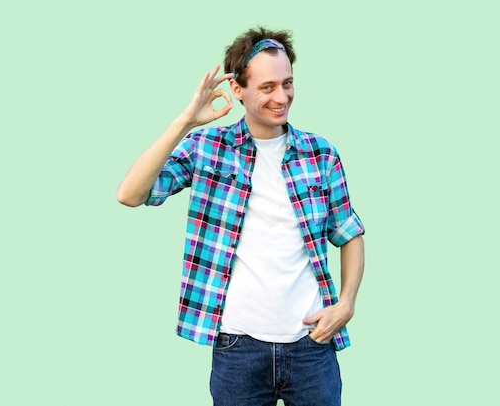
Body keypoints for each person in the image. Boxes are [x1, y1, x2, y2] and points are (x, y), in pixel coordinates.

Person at [117, 27, 365, 406]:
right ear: (238, 90)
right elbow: (130, 194)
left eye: (287, 83)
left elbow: (349, 232)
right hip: (238, 349)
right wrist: (185, 121)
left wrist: (346, 303)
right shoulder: (208, 148)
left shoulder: (320, 153)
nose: (281, 97)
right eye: (267, 87)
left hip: (312, 346)